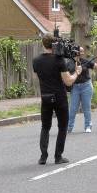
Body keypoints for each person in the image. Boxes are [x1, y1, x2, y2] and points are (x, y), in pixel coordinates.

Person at [33, 33, 78, 164]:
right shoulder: (59, 61)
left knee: (45, 126)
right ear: (54, 44)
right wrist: (77, 73)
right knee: (62, 126)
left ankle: (43, 156)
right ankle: (58, 156)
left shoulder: (36, 61)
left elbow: (39, 79)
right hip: (59, 96)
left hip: (45, 96)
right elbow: (68, 81)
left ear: (42, 44)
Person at [67, 45, 97, 133]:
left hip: (86, 86)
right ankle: (69, 127)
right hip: (75, 87)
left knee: (86, 107)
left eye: (83, 51)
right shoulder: (69, 63)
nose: (83, 53)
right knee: (73, 108)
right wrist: (76, 70)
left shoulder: (86, 61)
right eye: (81, 51)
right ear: (75, 52)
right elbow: (67, 76)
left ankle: (88, 126)